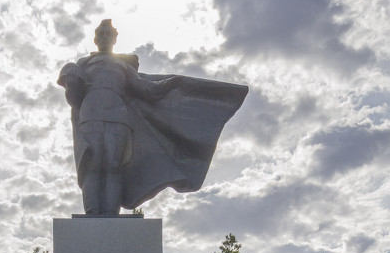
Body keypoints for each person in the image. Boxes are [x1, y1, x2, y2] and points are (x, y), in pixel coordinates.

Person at [58, 19, 248, 216]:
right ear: (95, 39)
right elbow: (74, 99)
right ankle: (92, 213)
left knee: (114, 166)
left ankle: (110, 214)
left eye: (108, 33)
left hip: (118, 117)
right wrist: (71, 82)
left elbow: (147, 90)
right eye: (101, 33)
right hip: (91, 115)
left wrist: (172, 83)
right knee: (93, 164)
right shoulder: (82, 64)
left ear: (115, 39)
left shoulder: (122, 66)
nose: (104, 36)